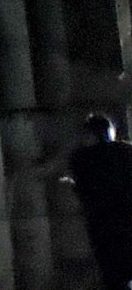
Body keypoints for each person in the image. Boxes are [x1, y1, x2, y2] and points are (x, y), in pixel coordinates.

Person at [70, 114, 132, 290]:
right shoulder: (126, 152)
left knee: (114, 278)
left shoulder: (81, 158)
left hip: (103, 227)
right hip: (126, 221)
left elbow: (83, 191)